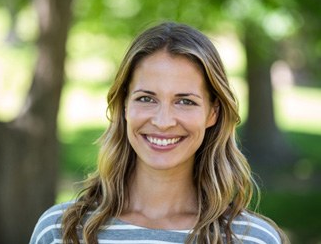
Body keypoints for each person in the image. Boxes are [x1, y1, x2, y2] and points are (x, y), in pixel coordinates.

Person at [29, 22, 289, 244]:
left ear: (213, 113)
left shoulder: (253, 239)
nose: (163, 122)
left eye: (185, 101)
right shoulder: (60, 230)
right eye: (146, 98)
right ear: (124, 106)